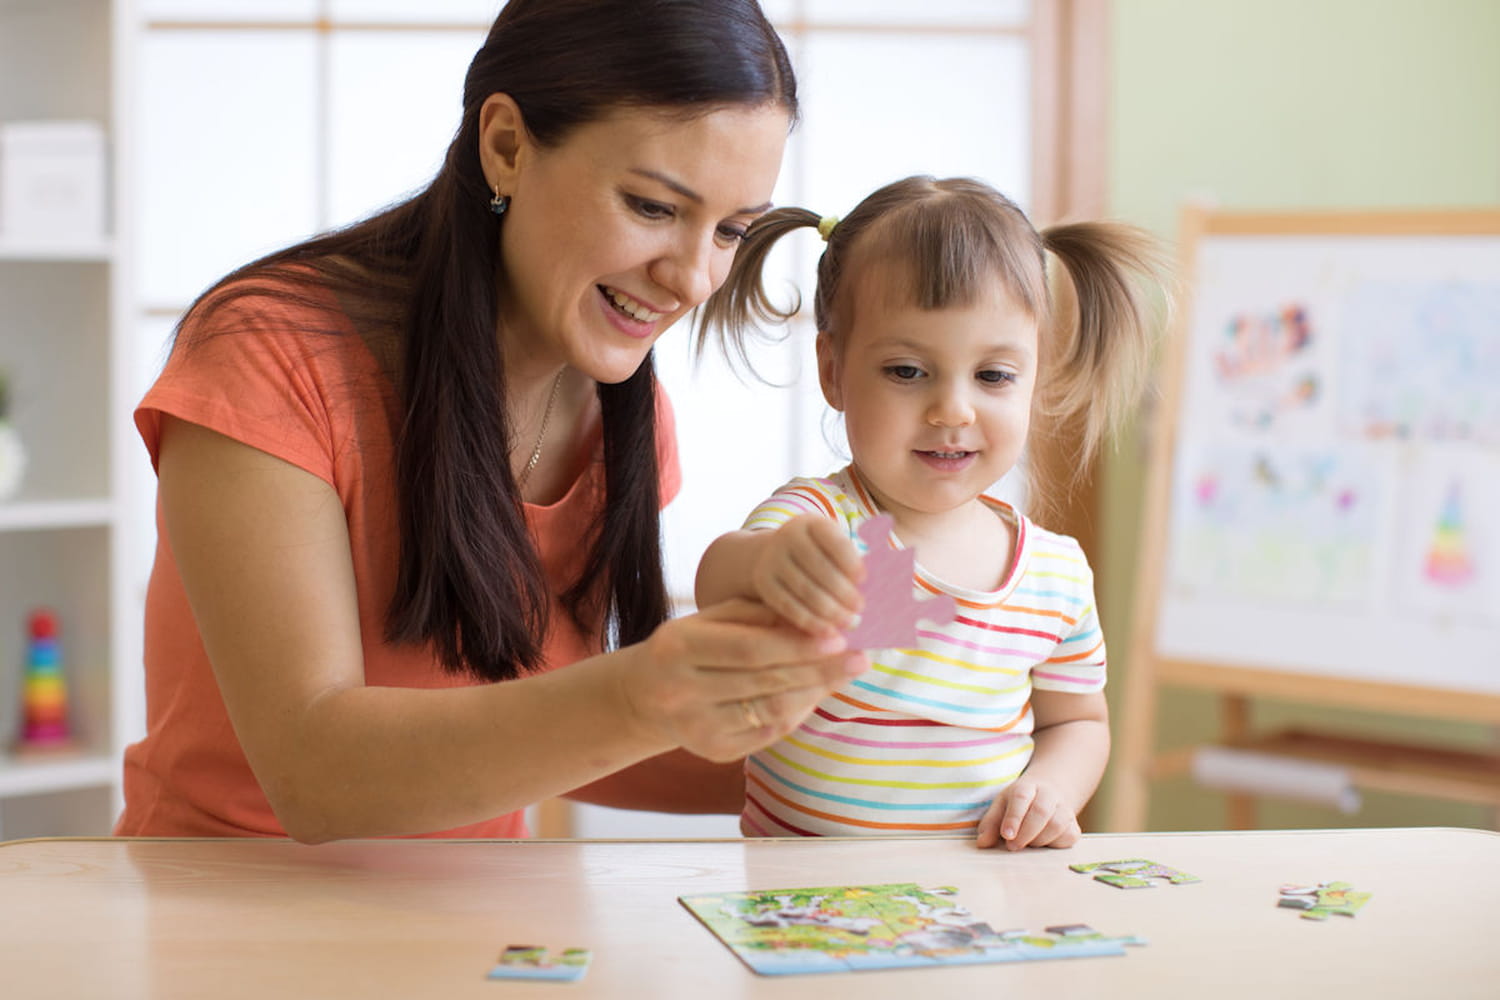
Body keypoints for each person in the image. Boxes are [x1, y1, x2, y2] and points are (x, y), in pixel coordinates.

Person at [114, 0, 867, 844]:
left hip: (486, 934)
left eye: (732, 230)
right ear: (506, 145)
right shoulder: (268, 353)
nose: (694, 278)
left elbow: (560, 740)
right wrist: (640, 691)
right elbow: (313, 774)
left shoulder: (623, 415)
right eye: (653, 207)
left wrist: (911, 764)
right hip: (220, 924)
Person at [694, 175, 1168, 849]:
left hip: (978, 901)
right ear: (834, 370)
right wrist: (771, 564)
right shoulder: (823, 523)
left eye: (994, 376)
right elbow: (719, 578)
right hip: (800, 905)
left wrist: (1051, 791)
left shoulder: (1054, 577)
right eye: (908, 372)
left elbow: (1078, 724)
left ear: (1037, 378)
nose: (953, 411)